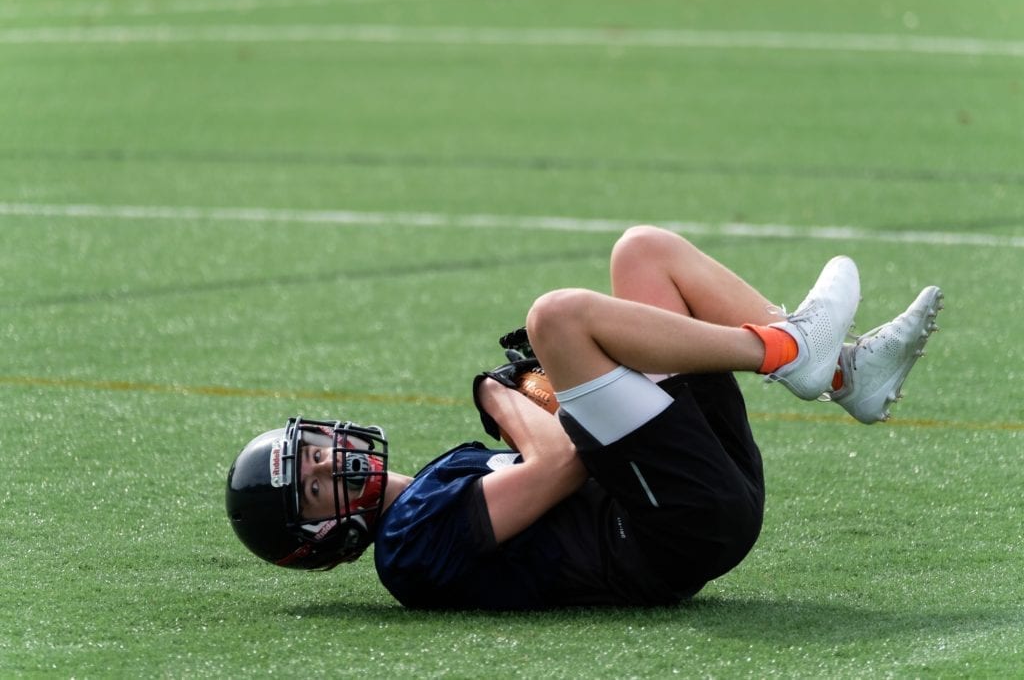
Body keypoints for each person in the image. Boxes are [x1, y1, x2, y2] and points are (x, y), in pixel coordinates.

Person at [225, 225, 943, 609]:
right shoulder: (405, 548)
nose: (328, 463)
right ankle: (789, 349)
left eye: (313, 451)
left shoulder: (438, 480)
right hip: (671, 528)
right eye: (314, 487)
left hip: (684, 493)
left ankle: (844, 374)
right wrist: (499, 394)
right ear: (320, 541)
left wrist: (542, 393)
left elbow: (565, 452)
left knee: (643, 254)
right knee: (557, 317)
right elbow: (564, 462)